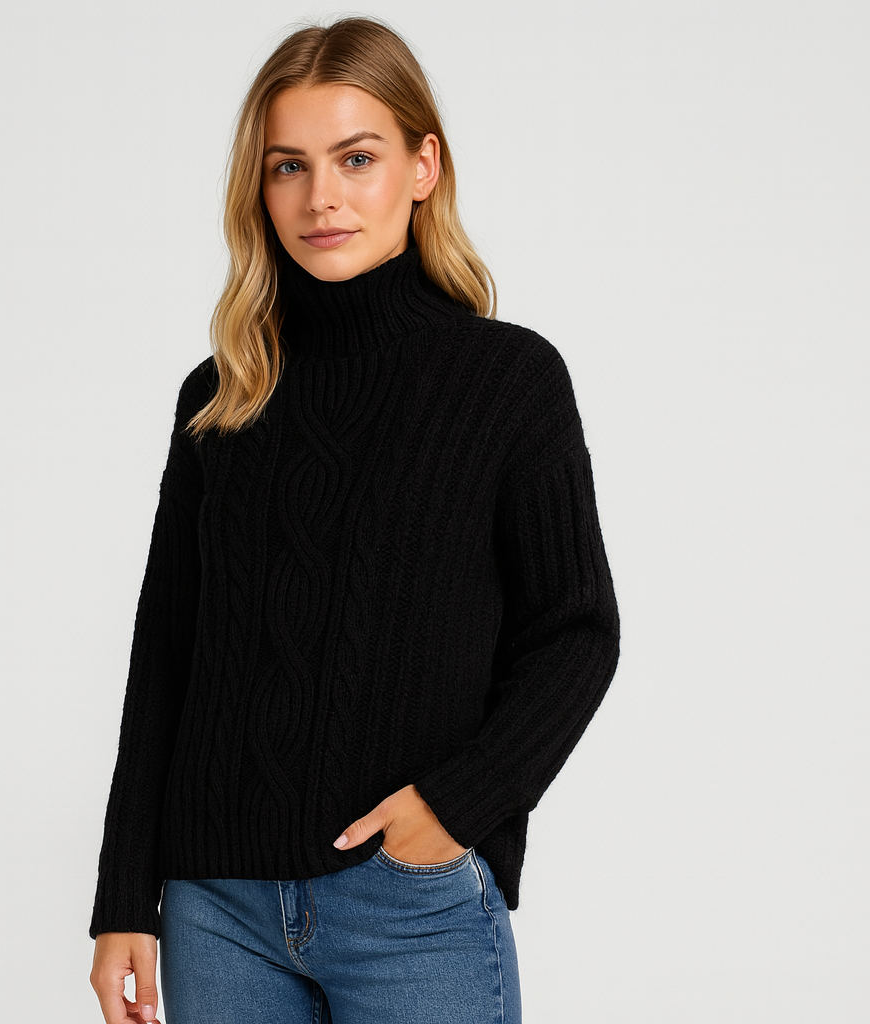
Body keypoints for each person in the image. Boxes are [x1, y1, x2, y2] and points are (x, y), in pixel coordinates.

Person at [89, 15, 620, 1024]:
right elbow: (167, 652)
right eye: (288, 166)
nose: (320, 197)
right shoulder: (221, 395)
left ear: (423, 166)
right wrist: (125, 897)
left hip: (410, 905)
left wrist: (456, 807)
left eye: (357, 158)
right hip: (216, 908)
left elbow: (577, 632)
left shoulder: (507, 382)